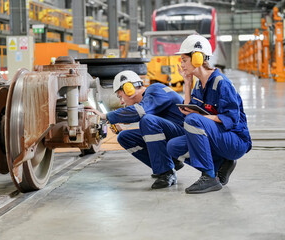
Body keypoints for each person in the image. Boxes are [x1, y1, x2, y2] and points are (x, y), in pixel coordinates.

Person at [167, 35, 252, 194]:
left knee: (194, 120)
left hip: (235, 140)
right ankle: (221, 164)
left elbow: (231, 119)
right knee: (174, 146)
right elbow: (189, 113)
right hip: (220, 137)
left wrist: (201, 118)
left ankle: (209, 176)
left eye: (184, 60)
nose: (181, 64)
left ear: (197, 58)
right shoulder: (199, 84)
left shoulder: (221, 82)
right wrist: (187, 83)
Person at [91, 70, 186, 189]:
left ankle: (166, 172)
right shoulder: (149, 99)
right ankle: (169, 163)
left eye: (121, 96)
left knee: (147, 120)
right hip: (172, 132)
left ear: (128, 89)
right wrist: (121, 123)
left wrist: (106, 116)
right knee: (125, 137)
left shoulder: (155, 89)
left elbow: (140, 112)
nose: (121, 102)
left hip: (184, 135)